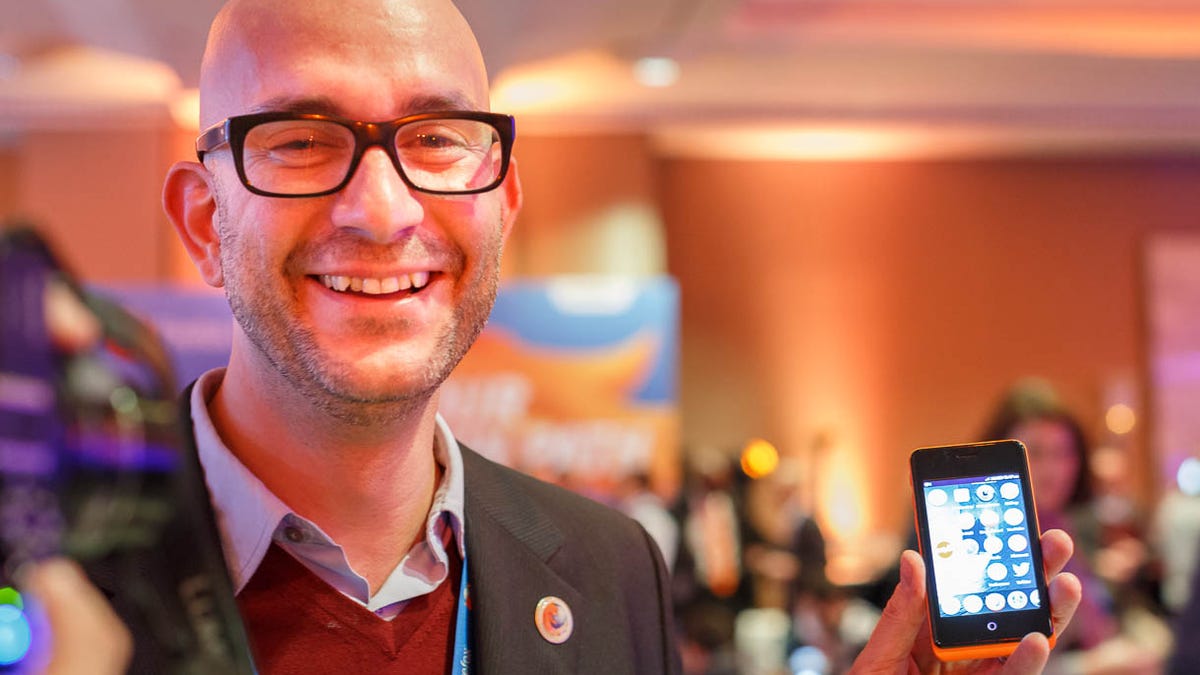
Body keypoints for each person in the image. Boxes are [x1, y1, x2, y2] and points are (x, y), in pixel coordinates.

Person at [38, 0, 1082, 672]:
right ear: (203, 223)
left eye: (436, 139)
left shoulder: (606, 566)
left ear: (501, 206)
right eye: (302, 139)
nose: (383, 209)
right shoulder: (51, 575)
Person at [981, 379, 1167, 674]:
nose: (1053, 470)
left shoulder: (1073, 524)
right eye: (1035, 452)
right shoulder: (987, 544)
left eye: (1064, 453)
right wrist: (1095, 664)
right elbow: (994, 666)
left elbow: (1109, 615)